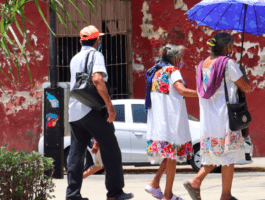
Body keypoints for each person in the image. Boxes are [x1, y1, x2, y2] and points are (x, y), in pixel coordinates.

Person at [67, 25, 133, 200]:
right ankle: (115, 193)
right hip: (91, 110)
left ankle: (72, 195)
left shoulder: (74, 58)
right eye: (100, 38)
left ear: (81, 40)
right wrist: (110, 107)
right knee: (111, 150)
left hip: (74, 111)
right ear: (97, 40)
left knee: (76, 154)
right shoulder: (96, 55)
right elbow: (97, 79)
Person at [183, 33, 251, 200]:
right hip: (224, 117)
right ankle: (219, 192)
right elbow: (246, 87)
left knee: (217, 153)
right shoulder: (228, 64)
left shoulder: (202, 64)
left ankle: (203, 185)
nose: (233, 48)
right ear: (227, 47)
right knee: (228, 155)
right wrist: (242, 72)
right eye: (232, 45)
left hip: (208, 117)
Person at [145, 44, 198, 200]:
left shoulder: (155, 72)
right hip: (171, 122)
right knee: (172, 158)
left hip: (160, 123)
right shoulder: (173, 71)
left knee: (169, 156)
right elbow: (181, 90)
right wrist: (202, 94)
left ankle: (155, 183)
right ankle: (167, 195)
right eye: (180, 58)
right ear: (176, 58)